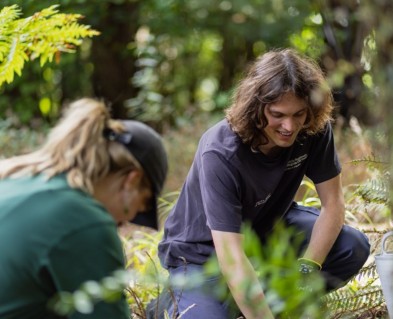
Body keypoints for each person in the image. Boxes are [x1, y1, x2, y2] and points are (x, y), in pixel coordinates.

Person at [157, 48, 370, 318]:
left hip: (267, 228)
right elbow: (232, 258)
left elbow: (333, 204)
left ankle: (259, 302)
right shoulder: (221, 152)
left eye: (299, 114)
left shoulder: (313, 129)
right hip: (203, 252)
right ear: (256, 108)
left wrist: (306, 271)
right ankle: (185, 299)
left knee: (351, 246)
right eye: (277, 115)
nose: (289, 127)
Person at [0, 98, 168, 319]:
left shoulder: (12, 180)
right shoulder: (85, 221)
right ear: (131, 181)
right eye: (143, 204)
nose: (132, 219)